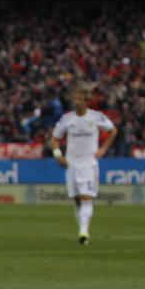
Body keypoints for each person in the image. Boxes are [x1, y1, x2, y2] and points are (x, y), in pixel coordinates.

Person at [49, 84, 118, 244]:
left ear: (87, 101)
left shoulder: (96, 117)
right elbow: (54, 138)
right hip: (71, 164)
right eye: (75, 99)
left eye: (80, 99)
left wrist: (103, 149)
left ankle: (84, 232)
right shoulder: (67, 119)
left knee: (86, 196)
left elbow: (113, 130)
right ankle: (82, 229)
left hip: (89, 163)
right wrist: (58, 155)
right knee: (77, 199)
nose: (77, 102)